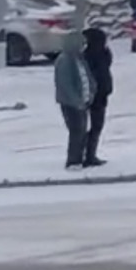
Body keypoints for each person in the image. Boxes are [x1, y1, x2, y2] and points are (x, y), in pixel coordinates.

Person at [53, 31, 95, 170]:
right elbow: (65, 84)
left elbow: (87, 77)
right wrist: (76, 100)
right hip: (70, 103)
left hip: (82, 101)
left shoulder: (79, 59)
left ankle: (79, 158)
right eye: (81, 44)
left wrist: (91, 92)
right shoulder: (65, 60)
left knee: (82, 130)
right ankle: (73, 161)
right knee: (76, 131)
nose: (84, 46)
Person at [81, 27, 113, 167]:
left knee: (95, 126)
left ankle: (89, 153)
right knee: (95, 126)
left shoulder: (100, 54)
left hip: (100, 94)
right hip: (95, 95)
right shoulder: (91, 56)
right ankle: (89, 155)